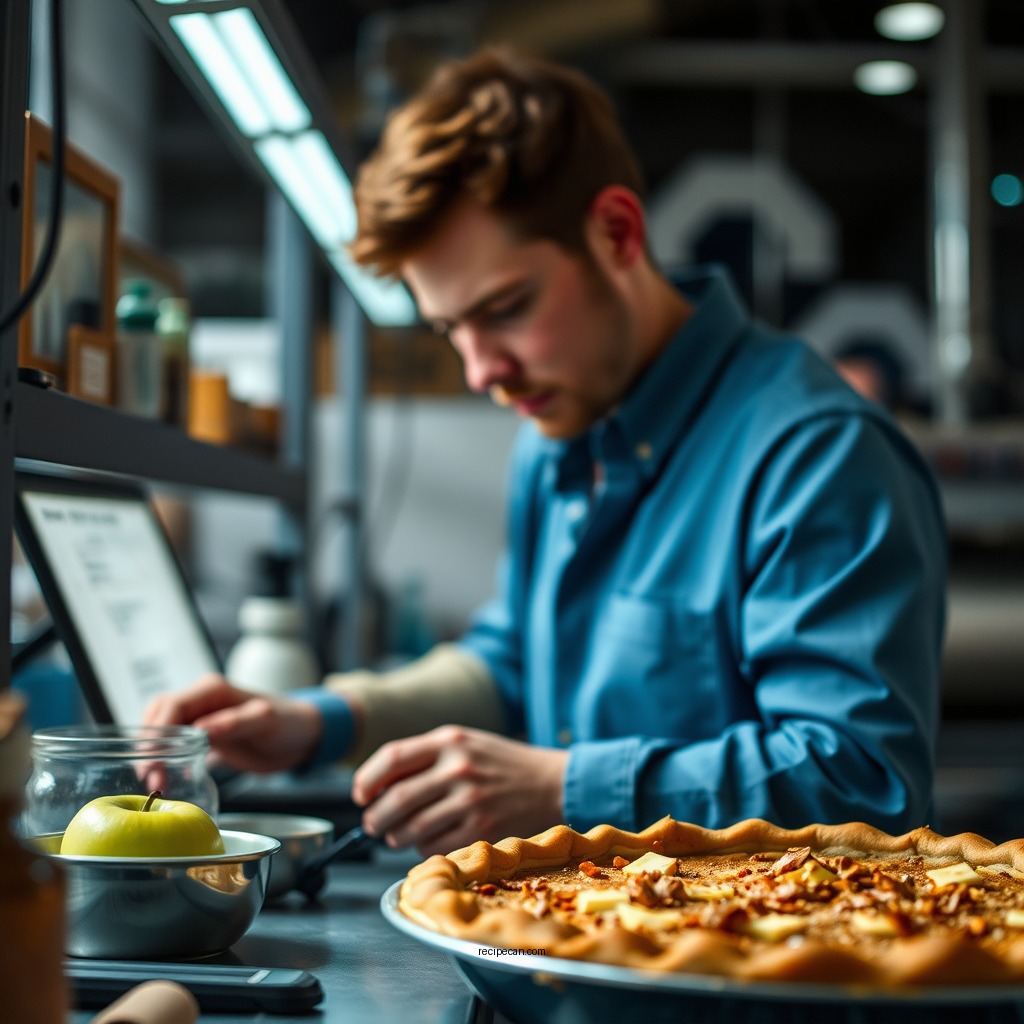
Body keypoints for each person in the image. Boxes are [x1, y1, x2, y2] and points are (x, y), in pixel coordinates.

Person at [145, 48, 947, 857]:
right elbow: (515, 661)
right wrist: (319, 720)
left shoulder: (817, 456)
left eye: (507, 307)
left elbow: (859, 781)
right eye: (451, 327)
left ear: (617, 232)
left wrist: (559, 789)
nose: (481, 370)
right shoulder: (557, 436)